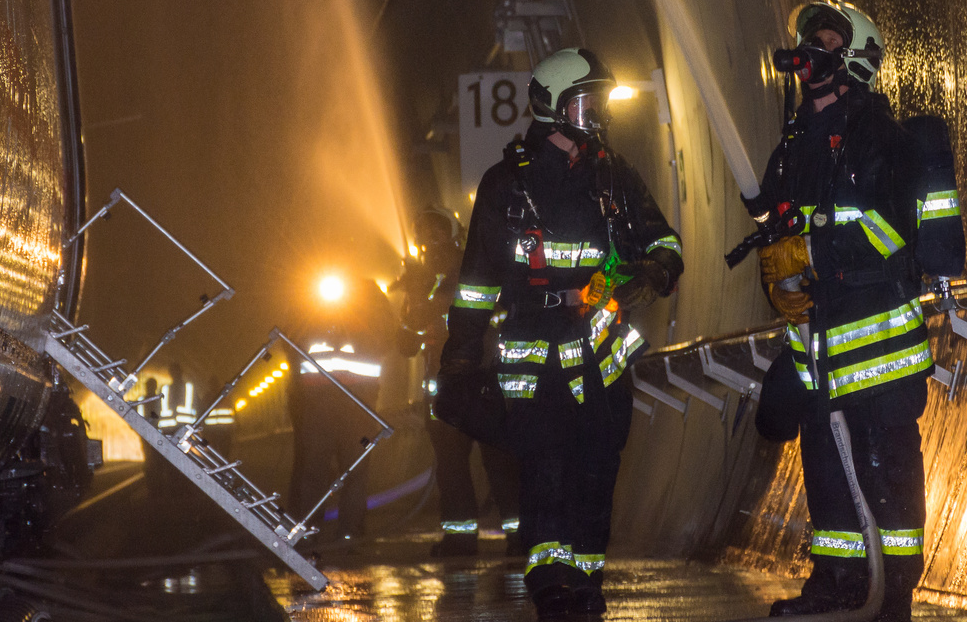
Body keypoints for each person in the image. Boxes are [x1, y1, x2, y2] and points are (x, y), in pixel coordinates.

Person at [437, 48, 682, 620]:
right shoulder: (505, 186)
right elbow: (476, 285)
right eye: (585, 101)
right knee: (543, 463)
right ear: (553, 106)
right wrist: (459, 359)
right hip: (533, 350)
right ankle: (550, 585)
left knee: (598, 464)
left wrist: (652, 272)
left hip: (600, 349)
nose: (595, 113)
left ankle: (588, 580)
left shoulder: (615, 176)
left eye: (598, 102)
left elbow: (664, 242)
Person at [746, 0, 956, 622]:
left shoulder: (880, 139)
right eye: (809, 40)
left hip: (880, 346)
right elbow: (772, 241)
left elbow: (893, 236)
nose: (812, 52)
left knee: (886, 463)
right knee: (824, 463)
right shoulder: (791, 148)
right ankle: (837, 582)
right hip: (820, 346)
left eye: (828, 40)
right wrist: (780, 282)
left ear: (856, 61)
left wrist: (811, 249)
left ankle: (893, 593)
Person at [399, 207, 522, 557]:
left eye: (433, 235)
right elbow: (406, 342)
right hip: (445, 383)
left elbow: (498, 317)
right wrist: (413, 313)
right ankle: (461, 537)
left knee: (498, 459)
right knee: (451, 464)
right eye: (423, 236)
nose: (428, 243)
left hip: (482, 377)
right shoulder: (422, 279)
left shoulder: (476, 269)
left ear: (452, 236)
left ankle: (519, 534)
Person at [287, 268, 401, 546]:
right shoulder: (312, 311)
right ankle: (313, 532)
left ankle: (345, 533)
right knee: (318, 470)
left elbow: (388, 339)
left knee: (351, 470)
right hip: (330, 407)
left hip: (350, 408)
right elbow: (291, 342)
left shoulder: (371, 312)